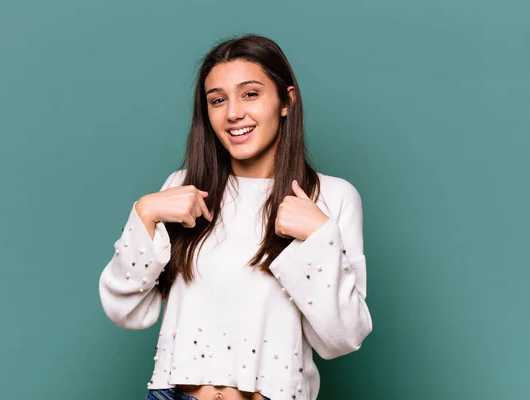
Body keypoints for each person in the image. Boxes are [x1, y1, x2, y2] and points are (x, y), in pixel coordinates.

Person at [99, 33, 372, 400]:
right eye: (217, 100)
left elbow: (343, 338)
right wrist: (144, 213)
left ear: (286, 102)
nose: (233, 113)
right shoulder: (183, 189)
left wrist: (321, 237)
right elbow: (125, 310)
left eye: (250, 94)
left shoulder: (332, 198)